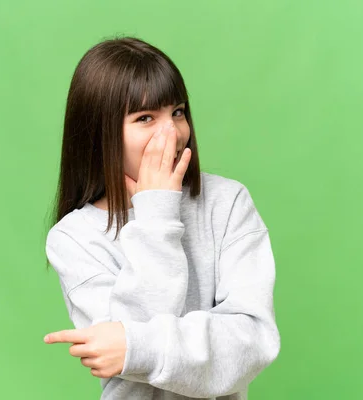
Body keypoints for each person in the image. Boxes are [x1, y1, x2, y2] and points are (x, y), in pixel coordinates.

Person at [43, 36, 280, 400]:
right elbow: (124, 365)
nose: (172, 132)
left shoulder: (227, 202)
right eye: (145, 118)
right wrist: (156, 214)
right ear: (99, 132)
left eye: (178, 112)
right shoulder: (74, 238)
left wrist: (137, 347)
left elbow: (252, 343)